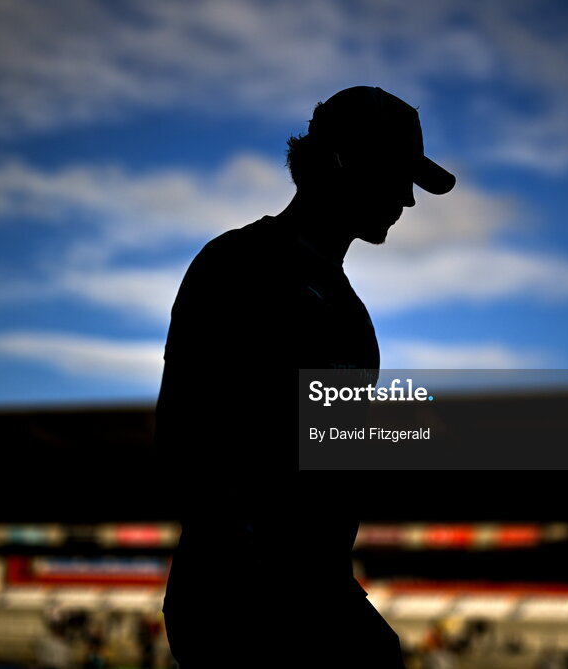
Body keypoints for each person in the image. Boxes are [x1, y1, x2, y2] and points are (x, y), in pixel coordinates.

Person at [153, 85, 455, 667]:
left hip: (313, 594)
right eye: (399, 175)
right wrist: (256, 565)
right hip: (241, 600)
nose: (408, 201)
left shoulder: (351, 314)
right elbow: (182, 440)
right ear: (344, 163)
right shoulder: (237, 265)